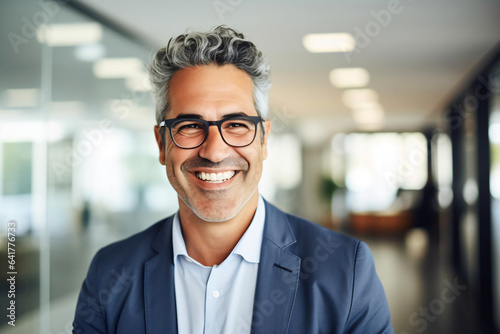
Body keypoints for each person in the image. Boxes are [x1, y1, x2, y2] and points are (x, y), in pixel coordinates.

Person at [73, 25, 393, 334]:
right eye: (190, 125)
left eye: (237, 124)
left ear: (264, 140)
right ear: (161, 143)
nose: (214, 151)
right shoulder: (110, 275)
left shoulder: (345, 271)